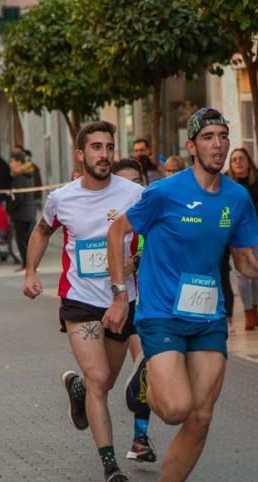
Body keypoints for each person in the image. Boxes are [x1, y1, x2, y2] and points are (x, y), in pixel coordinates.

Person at [103, 107, 258, 482]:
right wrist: (117, 294)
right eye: (208, 137)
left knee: (201, 416)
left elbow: (242, 259)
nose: (219, 144)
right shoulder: (165, 192)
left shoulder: (237, 198)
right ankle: (146, 376)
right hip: (162, 313)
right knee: (175, 409)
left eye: (223, 135)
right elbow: (117, 234)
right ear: (191, 147)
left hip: (208, 316)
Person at [23, 120, 144, 482]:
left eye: (109, 146)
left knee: (103, 382)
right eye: (96, 147)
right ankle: (110, 467)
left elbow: (155, 237)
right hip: (79, 300)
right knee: (98, 375)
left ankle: (78, 390)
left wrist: (136, 260)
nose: (104, 154)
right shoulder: (62, 198)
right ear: (81, 154)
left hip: (121, 300)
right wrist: (30, 272)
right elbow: (42, 231)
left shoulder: (136, 194)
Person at [111, 157, 157, 462]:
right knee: (102, 378)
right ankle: (83, 396)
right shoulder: (109, 220)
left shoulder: (154, 211)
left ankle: (140, 439)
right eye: (125, 182)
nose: (133, 188)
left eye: (136, 181)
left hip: (146, 304)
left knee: (145, 370)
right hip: (109, 304)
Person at [227, 147, 258, 330]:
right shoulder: (226, 181)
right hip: (236, 232)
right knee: (241, 273)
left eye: (241, 158)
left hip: (257, 231)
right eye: (234, 160)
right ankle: (248, 312)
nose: (238, 162)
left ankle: (255, 309)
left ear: (248, 160)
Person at [7, 149, 43, 271]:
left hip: (21, 213)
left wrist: (10, 208)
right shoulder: (27, 175)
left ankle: (27, 265)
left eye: (12, 161)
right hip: (28, 212)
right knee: (27, 240)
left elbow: (18, 198)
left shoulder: (20, 178)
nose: (10, 164)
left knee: (23, 240)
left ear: (18, 162)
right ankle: (29, 265)